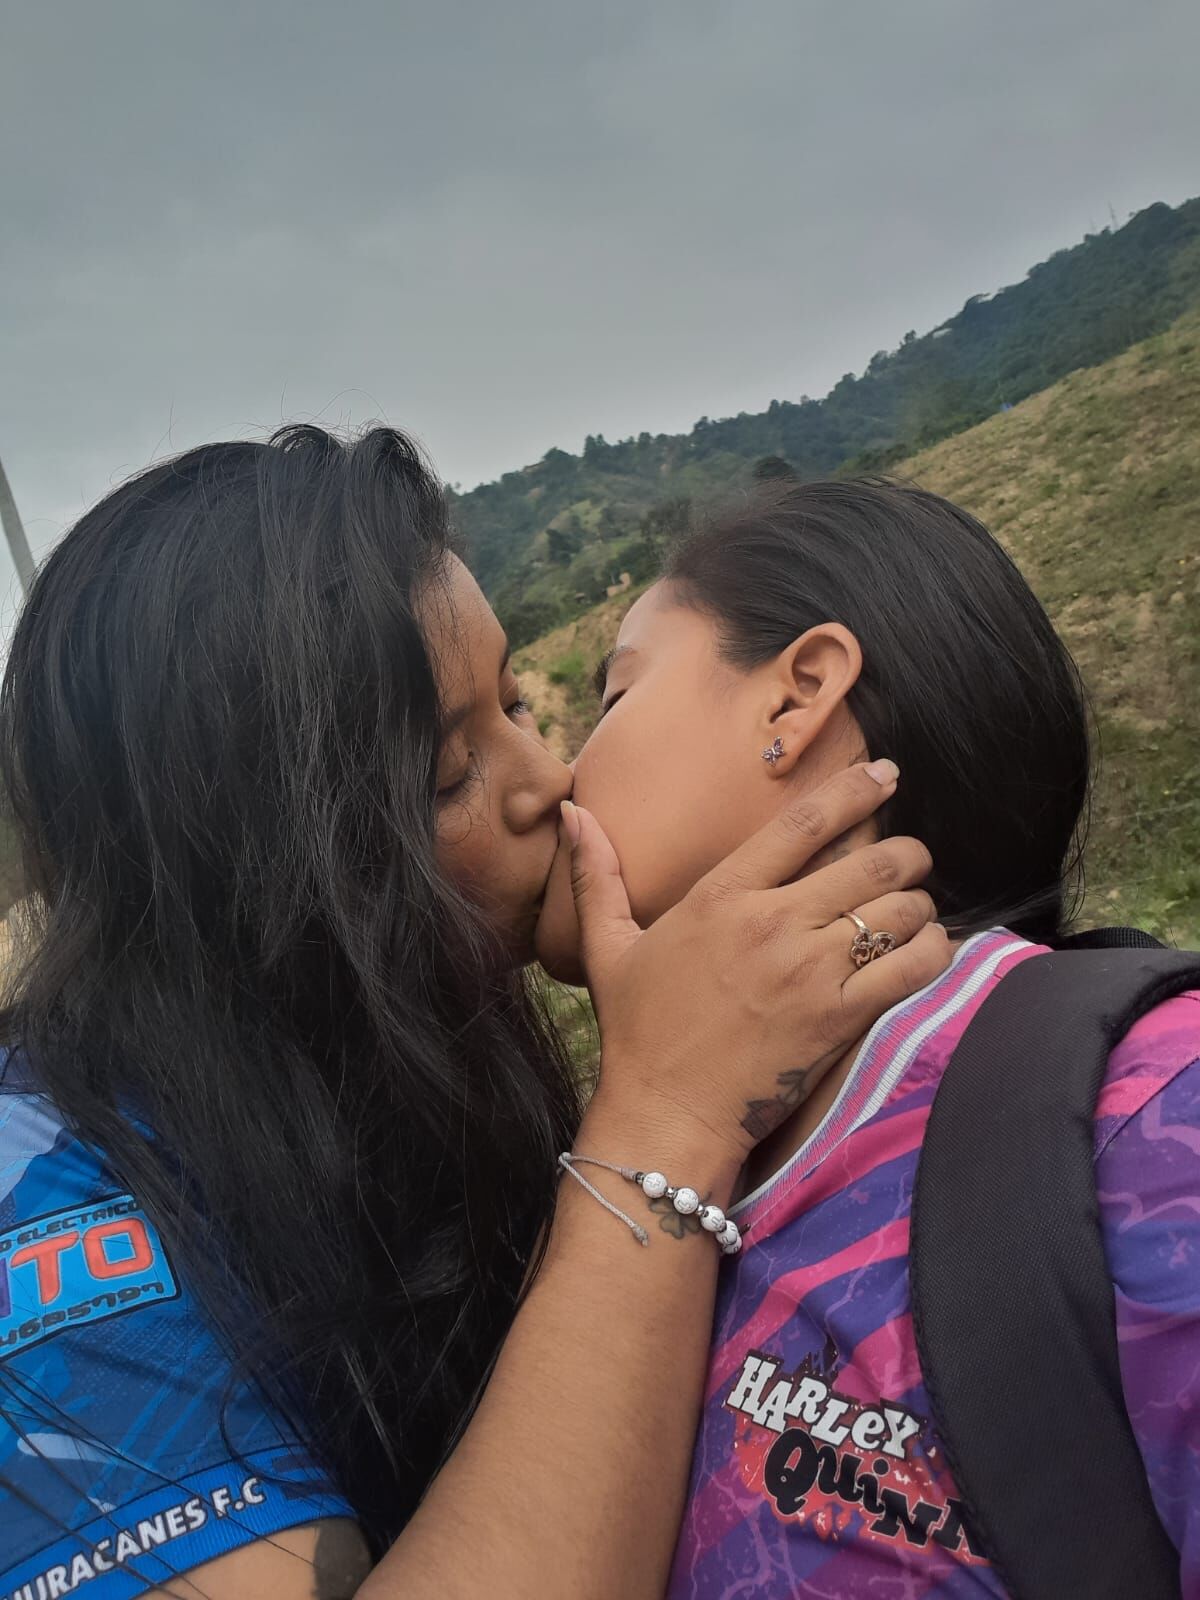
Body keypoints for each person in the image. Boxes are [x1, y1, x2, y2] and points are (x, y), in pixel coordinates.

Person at [0, 428, 949, 1600]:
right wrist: (664, 1121)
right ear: (250, 876)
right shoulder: (39, 1212)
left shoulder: (414, 1069)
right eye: (450, 771)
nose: (548, 778)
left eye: (516, 703)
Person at [535, 476, 1200, 1597]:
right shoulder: (662, 1158)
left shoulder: (1151, 1107)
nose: (561, 777)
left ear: (797, 698)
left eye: (613, 698)